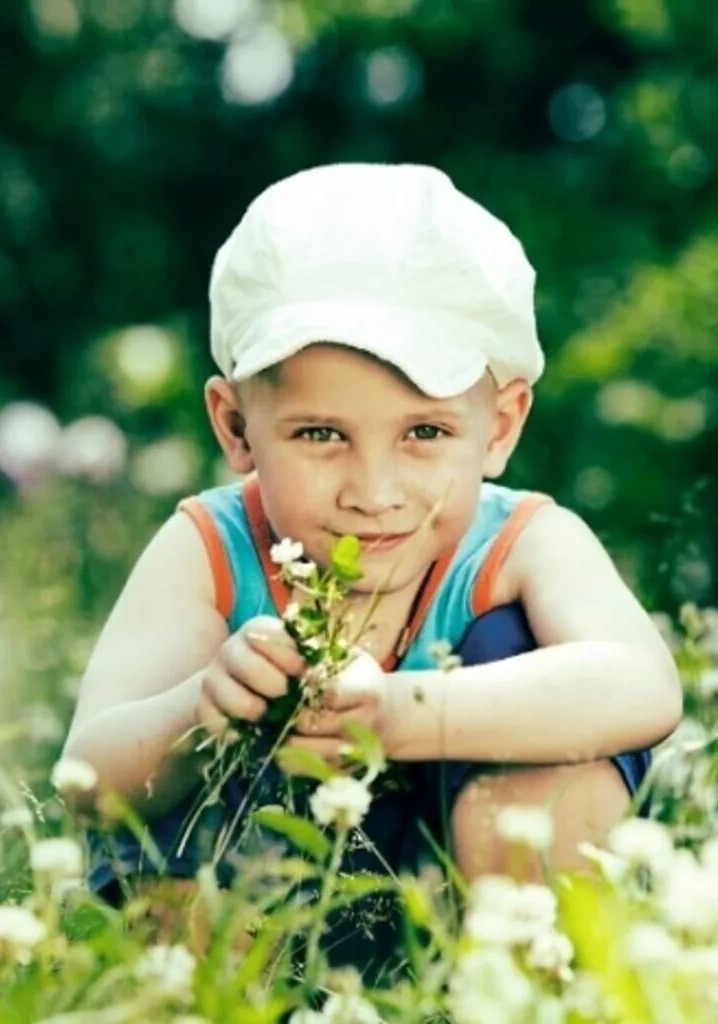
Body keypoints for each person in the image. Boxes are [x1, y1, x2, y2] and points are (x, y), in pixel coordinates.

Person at [63, 163, 683, 903]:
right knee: (174, 770)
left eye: (424, 431)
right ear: (234, 425)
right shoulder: (210, 548)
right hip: (264, 918)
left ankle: (534, 987)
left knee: (518, 659)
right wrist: (202, 708)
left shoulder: (522, 543)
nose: (373, 492)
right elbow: (87, 778)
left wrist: (395, 715)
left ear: (502, 426)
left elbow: (643, 684)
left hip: (471, 910)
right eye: (321, 433)